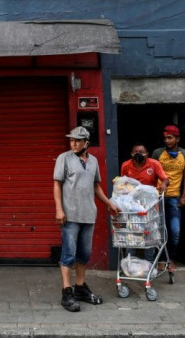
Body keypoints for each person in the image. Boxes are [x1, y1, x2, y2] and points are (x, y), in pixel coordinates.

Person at [53, 126, 118, 312]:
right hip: (70, 214)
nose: (73, 143)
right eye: (71, 140)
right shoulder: (64, 158)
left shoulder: (94, 161)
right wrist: (59, 209)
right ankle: (67, 291)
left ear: (86, 143)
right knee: (69, 253)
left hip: (88, 214)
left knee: (84, 254)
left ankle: (80, 287)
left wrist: (108, 203)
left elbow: (95, 187)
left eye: (78, 140)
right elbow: (57, 185)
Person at [151, 125, 185, 267]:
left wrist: (184, 195)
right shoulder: (158, 153)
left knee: (175, 231)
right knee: (158, 229)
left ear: (177, 139)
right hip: (158, 197)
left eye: (170, 138)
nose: (167, 141)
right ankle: (161, 259)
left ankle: (171, 258)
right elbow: (152, 173)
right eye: (165, 138)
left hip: (174, 197)